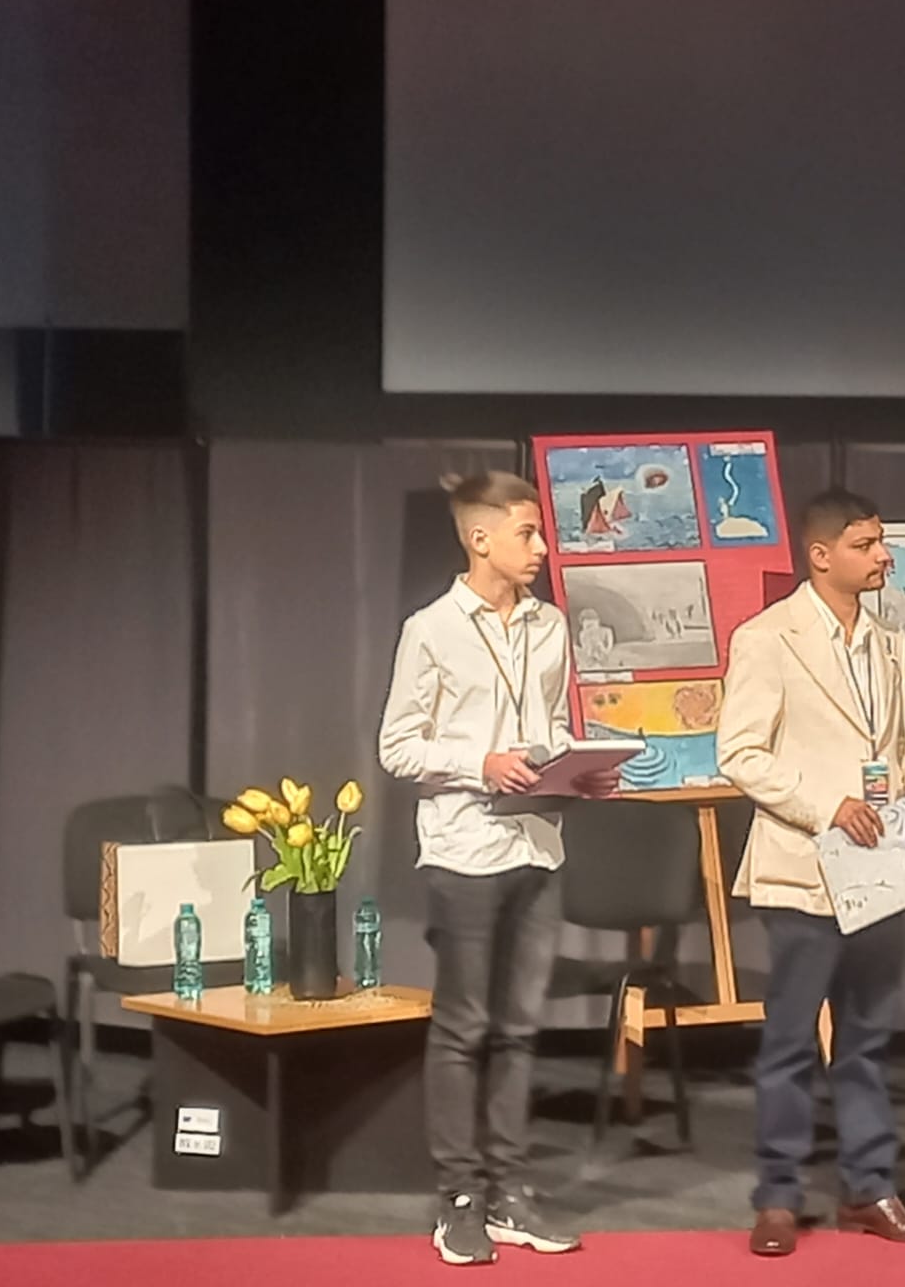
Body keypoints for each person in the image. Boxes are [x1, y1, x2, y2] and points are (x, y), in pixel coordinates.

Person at [378, 471, 619, 1266]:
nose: (542, 548)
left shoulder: (550, 627)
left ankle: (512, 1190)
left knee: (519, 1028)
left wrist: (579, 771)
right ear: (479, 539)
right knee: (465, 1028)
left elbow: (547, 728)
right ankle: (459, 1197)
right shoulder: (431, 629)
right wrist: (478, 762)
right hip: (465, 849)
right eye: (527, 533)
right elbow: (397, 746)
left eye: (541, 533)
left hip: (538, 845)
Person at [716, 487, 905, 1258]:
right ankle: (778, 1198)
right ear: (821, 556)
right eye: (865, 545)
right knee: (790, 1041)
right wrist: (828, 806)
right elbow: (740, 753)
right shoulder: (768, 638)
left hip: (879, 872)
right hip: (804, 867)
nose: (883, 556)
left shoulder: (886, 641)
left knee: (867, 1038)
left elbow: (897, 743)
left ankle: (870, 1186)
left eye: (881, 542)